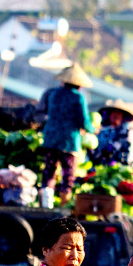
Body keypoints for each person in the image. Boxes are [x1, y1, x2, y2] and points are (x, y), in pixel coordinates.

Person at [37, 63, 95, 200]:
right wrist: (92, 130)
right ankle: (64, 204)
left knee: (48, 173)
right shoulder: (78, 97)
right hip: (69, 142)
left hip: (51, 139)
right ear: (79, 85)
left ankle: (46, 204)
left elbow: (43, 114)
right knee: (68, 176)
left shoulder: (53, 94)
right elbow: (84, 122)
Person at [87, 102, 133, 167]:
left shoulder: (125, 132)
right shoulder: (101, 130)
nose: (116, 115)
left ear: (122, 116)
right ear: (109, 114)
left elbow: (125, 152)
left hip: (117, 166)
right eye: (114, 112)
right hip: (97, 165)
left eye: (119, 113)